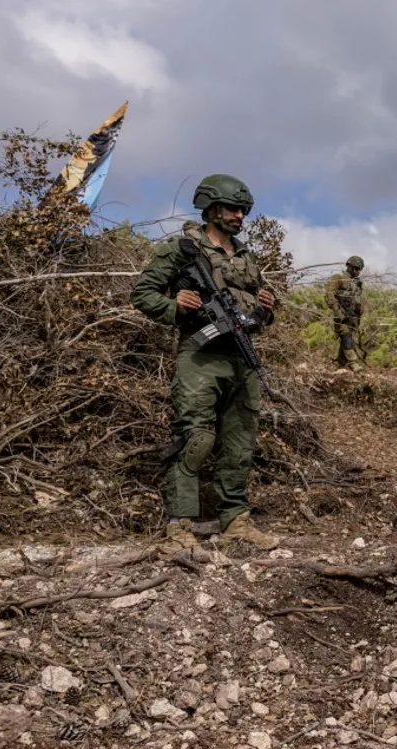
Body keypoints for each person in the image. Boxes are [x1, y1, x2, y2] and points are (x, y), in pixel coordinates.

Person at [129, 173, 280, 551]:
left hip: (240, 357)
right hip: (201, 355)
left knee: (240, 442)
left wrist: (266, 309)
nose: (239, 216)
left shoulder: (245, 257)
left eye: (243, 210)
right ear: (210, 208)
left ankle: (235, 523)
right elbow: (142, 293)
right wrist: (174, 306)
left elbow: (257, 311)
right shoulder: (181, 249)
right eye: (232, 208)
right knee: (195, 437)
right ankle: (180, 527)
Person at [325, 255, 367, 371]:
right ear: (352, 267)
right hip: (342, 316)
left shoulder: (357, 284)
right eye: (358, 269)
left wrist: (358, 315)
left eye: (360, 269)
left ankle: (340, 363)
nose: (359, 272)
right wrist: (337, 311)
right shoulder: (339, 278)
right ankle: (353, 363)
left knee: (350, 340)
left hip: (353, 317)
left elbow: (359, 302)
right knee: (346, 337)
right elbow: (329, 294)